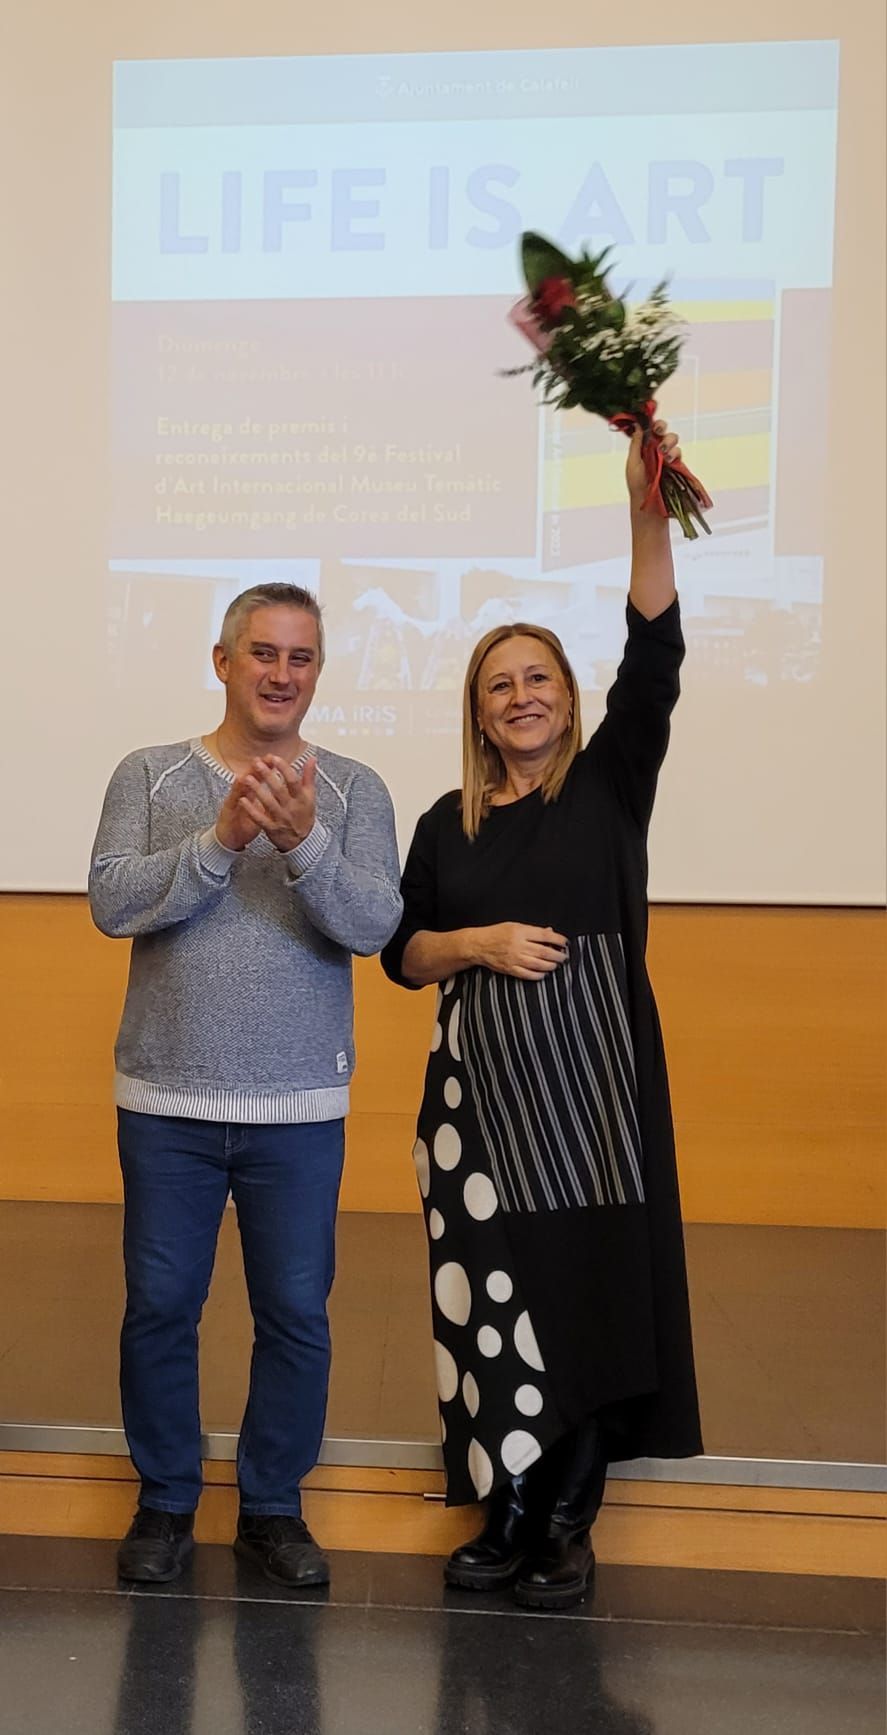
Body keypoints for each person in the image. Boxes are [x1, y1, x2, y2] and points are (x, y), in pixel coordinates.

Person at [381, 423, 703, 1611]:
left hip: (592, 1100)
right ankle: (505, 1512)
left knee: (588, 1302)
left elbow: (654, 649)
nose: (520, 697)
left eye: (538, 679)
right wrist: (474, 943)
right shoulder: (444, 822)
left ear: (568, 700)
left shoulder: (610, 785)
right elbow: (401, 954)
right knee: (492, 1307)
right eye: (498, 684)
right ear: (478, 712)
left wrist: (644, 508)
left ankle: (565, 1526)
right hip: (476, 1106)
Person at [89, 582, 402, 1587]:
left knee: (296, 1313)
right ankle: (164, 1500)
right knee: (159, 1306)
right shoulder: (151, 773)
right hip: (166, 1100)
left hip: (300, 1106)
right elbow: (111, 902)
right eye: (262, 652)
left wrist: (302, 842)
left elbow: (374, 925)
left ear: (317, 670)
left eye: (299, 657)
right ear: (222, 662)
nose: (280, 673)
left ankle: (272, 1507)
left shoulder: (353, 789)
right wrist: (220, 841)